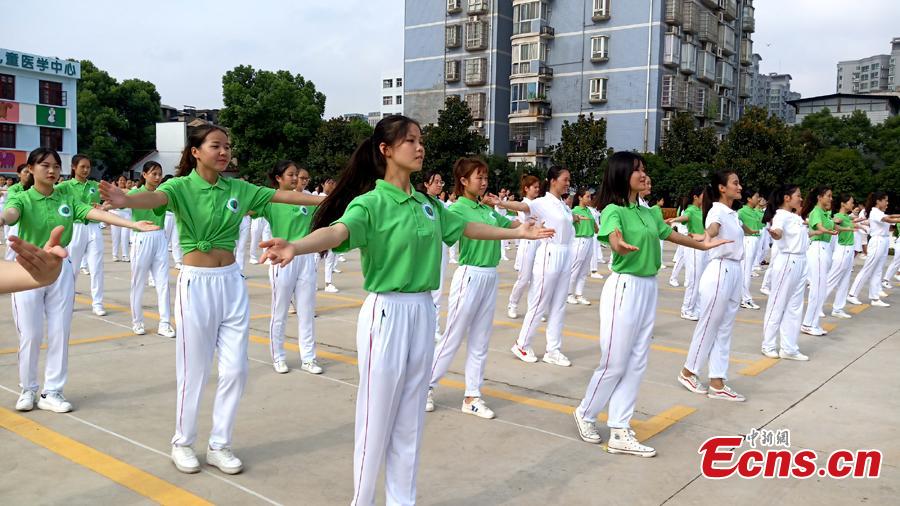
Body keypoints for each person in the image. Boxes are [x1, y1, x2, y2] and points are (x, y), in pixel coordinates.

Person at [259, 116, 553, 506]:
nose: (420, 147)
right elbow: (337, 232)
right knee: (376, 416)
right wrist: (296, 246)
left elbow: (467, 228)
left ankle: (402, 500)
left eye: (421, 140)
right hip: (386, 312)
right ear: (385, 150)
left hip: (422, 312)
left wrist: (517, 232)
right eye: (410, 141)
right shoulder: (371, 202)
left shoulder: (427, 204)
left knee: (410, 419)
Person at [100, 125, 325, 476]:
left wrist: (331, 199)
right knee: (195, 368)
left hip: (231, 283)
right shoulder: (180, 187)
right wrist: (127, 200)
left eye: (227, 147)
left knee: (236, 369)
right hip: (196, 284)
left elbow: (286, 197)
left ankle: (220, 444)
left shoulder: (239, 189)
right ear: (195, 151)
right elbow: (155, 200)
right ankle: (183, 442)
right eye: (216, 146)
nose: (224, 152)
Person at [572, 152, 729, 457]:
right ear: (621, 175)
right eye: (637, 170)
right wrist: (618, 245)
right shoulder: (614, 210)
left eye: (643, 169)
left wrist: (703, 245)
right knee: (615, 361)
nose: (643, 175)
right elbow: (613, 235)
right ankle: (586, 412)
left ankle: (620, 428)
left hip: (648, 287)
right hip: (624, 287)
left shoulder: (648, 211)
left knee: (637, 361)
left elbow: (670, 235)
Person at [1, 148, 157, 413]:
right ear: (30, 169)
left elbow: (93, 213)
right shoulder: (22, 197)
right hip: (28, 270)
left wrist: (132, 225)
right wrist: (2, 218)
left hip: (61, 268)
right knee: (30, 333)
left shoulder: (66, 197)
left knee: (60, 331)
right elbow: (11, 214)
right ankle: (28, 388)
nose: (52, 170)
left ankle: (52, 391)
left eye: (55, 166)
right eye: (45, 165)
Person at [426, 157, 527, 420]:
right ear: (463, 181)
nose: (484, 182)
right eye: (478, 177)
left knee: (481, 340)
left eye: (485, 177)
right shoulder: (457, 209)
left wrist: (527, 221)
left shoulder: (486, 209)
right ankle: (425, 387)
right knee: (453, 336)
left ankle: (472, 396)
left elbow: (512, 225)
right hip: (470, 275)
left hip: (490, 276)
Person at [496, 167, 579, 367]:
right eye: (565, 179)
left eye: (569, 180)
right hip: (549, 254)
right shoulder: (541, 202)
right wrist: (501, 202)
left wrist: (574, 217)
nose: (568, 183)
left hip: (565, 254)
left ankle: (553, 350)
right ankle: (522, 344)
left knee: (559, 305)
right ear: (552, 180)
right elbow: (523, 206)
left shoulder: (563, 205)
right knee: (540, 302)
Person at [678, 170, 747, 402]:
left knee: (724, 328)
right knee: (709, 324)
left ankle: (718, 382)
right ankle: (688, 372)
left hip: (734, 270)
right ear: (722, 188)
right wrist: (706, 236)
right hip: (720, 270)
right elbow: (713, 228)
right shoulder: (717, 211)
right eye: (735, 183)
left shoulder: (733, 214)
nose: (739, 187)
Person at [262, 161, 323, 375]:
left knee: (306, 311)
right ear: (279, 178)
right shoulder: (269, 201)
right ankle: (278, 356)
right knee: (280, 311)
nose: (296, 178)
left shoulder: (307, 199)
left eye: (297, 174)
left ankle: (308, 358)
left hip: (305, 256)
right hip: (281, 259)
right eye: (291, 175)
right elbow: (244, 209)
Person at [760, 185, 816, 361]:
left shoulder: (795, 217)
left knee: (795, 306)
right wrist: (775, 234)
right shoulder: (780, 215)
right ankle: (768, 345)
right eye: (798, 195)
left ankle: (789, 348)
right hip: (787, 261)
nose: (801, 198)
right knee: (777, 304)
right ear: (787, 198)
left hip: (801, 261)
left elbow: (802, 236)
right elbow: (778, 231)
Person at [127, 161, 175, 338]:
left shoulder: (162, 194)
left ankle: (165, 323)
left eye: (159, 174)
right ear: (144, 174)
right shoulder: (135, 193)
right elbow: (118, 203)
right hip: (141, 238)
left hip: (160, 237)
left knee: (163, 283)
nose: (157, 177)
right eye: (154, 174)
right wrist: (103, 207)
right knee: (138, 283)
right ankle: (137, 322)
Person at [59, 154, 107, 316]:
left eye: (88, 167)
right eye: (82, 167)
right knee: (72, 269)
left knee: (97, 267)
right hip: (75, 228)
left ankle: (97, 303)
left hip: (94, 228)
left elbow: (112, 198)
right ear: (74, 167)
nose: (86, 170)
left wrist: (104, 207)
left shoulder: (95, 185)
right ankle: (68, 301)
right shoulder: (65, 186)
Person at [847, 192, 900, 308]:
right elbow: (888, 219)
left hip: (883, 241)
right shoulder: (874, 212)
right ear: (878, 201)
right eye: (885, 200)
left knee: (878, 270)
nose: (887, 203)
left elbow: (891, 216)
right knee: (868, 268)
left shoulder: (880, 212)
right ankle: (852, 294)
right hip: (877, 241)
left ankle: (875, 298)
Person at [799, 186, 839, 336]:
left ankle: (812, 323)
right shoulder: (816, 212)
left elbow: (832, 225)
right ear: (819, 197)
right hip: (818, 249)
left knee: (821, 288)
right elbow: (819, 227)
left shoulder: (825, 213)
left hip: (825, 249)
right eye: (828, 195)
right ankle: (808, 324)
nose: (831, 198)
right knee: (818, 288)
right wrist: (828, 231)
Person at [668, 186, 707, 321]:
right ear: (695, 197)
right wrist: (673, 220)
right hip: (694, 247)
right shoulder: (691, 209)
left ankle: (697, 308)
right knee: (694, 279)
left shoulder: (702, 210)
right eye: (703, 195)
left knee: (701, 280)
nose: (706, 197)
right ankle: (686, 309)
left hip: (703, 247)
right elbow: (685, 217)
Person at [506, 175, 541, 318]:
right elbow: (520, 206)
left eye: (538, 187)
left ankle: (534, 309)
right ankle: (512, 304)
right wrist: (502, 203)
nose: (537, 189)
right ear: (526, 189)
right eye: (535, 187)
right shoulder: (526, 203)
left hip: (540, 242)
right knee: (524, 278)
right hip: (528, 243)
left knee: (537, 279)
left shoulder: (539, 203)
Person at [420, 171, 448, 341]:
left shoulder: (442, 206)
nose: (439, 185)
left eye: (441, 182)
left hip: (440, 250)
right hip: (423, 251)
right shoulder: (419, 202)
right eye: (435, 181)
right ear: (426, 184)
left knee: (437, 291)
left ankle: (434, 327)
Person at [824, 194, 861, 319]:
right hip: (842, 250)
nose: (852, 204)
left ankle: (838, 309)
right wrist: (835, 223)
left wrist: (858, 224)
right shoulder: (839, 216)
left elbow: (850, 221)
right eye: (851, 202)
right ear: (843, 204)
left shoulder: (846, 216)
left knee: (844, 282)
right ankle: (817, 307)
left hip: (849, 250)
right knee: (831, 280)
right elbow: (834, 223)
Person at [567, 187, 599, 305]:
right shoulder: (574, 211)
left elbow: (595, 227)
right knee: (575, 268)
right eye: (587, 196)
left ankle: (579, 294)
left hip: (589, 240)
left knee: (584, 270)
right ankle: (568, 294)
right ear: (580, 197)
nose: (590, 198)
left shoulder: (589, 211)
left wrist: (596, 227)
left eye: (590, 196)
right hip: (579, 240)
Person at [738, 191, 763, 310]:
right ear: (749, 199)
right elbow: (737, 224)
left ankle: (743, 297)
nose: (758, 199)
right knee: (745, 270)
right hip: (747, 240)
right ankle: (746, 299)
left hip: (755, 240)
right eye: (756, 197)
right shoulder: (741, 211)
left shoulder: (755, 211)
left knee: (747, 270)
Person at [4, 164, 33, 260]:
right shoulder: (14, 188)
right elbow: (14, 200)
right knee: (12, 248)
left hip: (31, 222)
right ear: (19, 174)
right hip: (17, 221)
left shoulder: (35, 188)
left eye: (30, 172)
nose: (28, 174)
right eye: (26, 172)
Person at [110, 175, 132, 262]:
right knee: (115, 236)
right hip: (116, 213)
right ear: (117, 182)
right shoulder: (113, 191)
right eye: (120, 180)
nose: (122, 182)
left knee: (125, 236)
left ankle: (125, 255)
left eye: (124, 180)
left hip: (126, 214)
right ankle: (115, 254)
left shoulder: (129, 191)